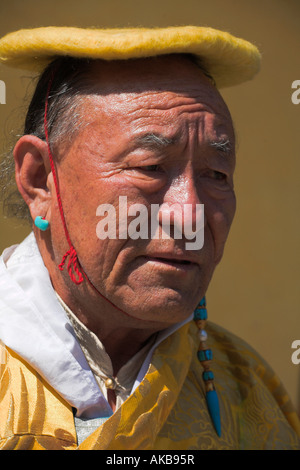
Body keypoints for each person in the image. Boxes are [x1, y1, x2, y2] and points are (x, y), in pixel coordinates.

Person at [0, 26, 299, 450]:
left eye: (216, 174)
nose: (189, 214)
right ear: (40, 181)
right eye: (150, 166)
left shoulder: (248, 390)